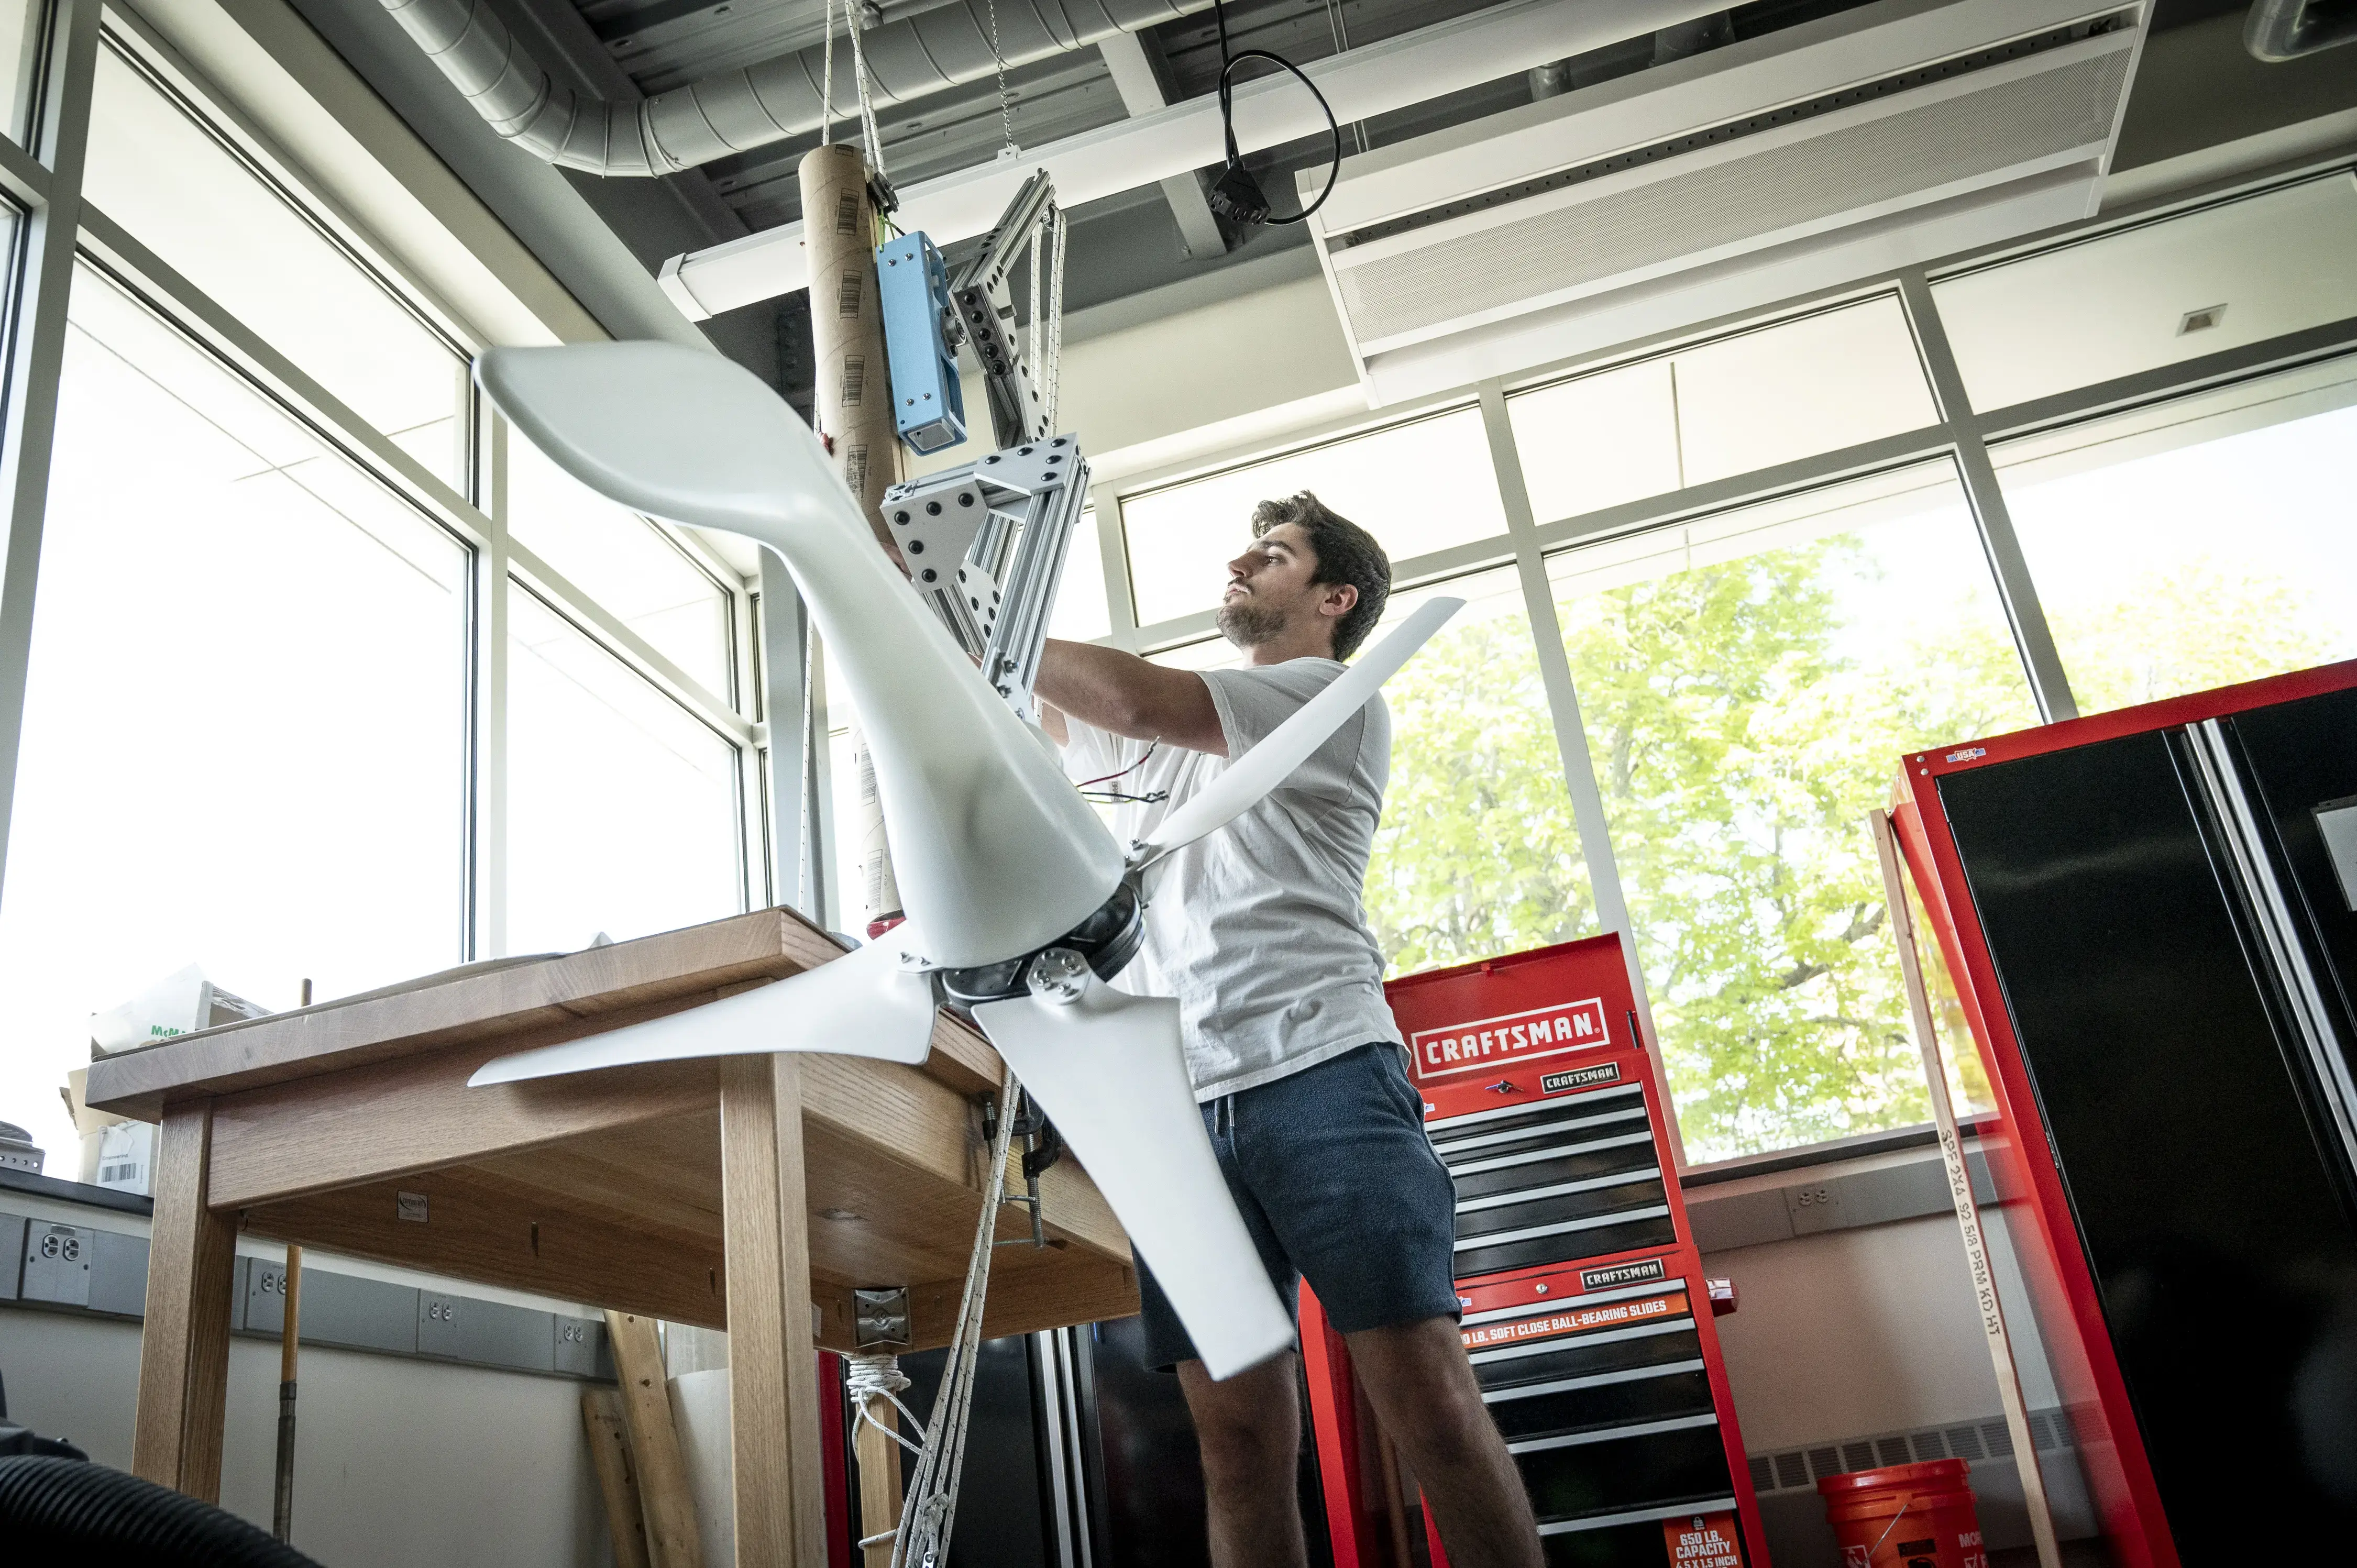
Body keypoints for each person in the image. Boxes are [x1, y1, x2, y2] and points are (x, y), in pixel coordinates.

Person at [1032, 493, 1543, 1568]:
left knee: (1431, 1410)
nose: (1240, 561)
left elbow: (1125, 696)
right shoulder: (1168, 751)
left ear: (1333, 598)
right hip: (1178, 1107)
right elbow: (1009, 721)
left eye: (1272, 554)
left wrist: (993, 623)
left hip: (1322, 1073)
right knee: (1236, 1446)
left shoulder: (1325, 698)